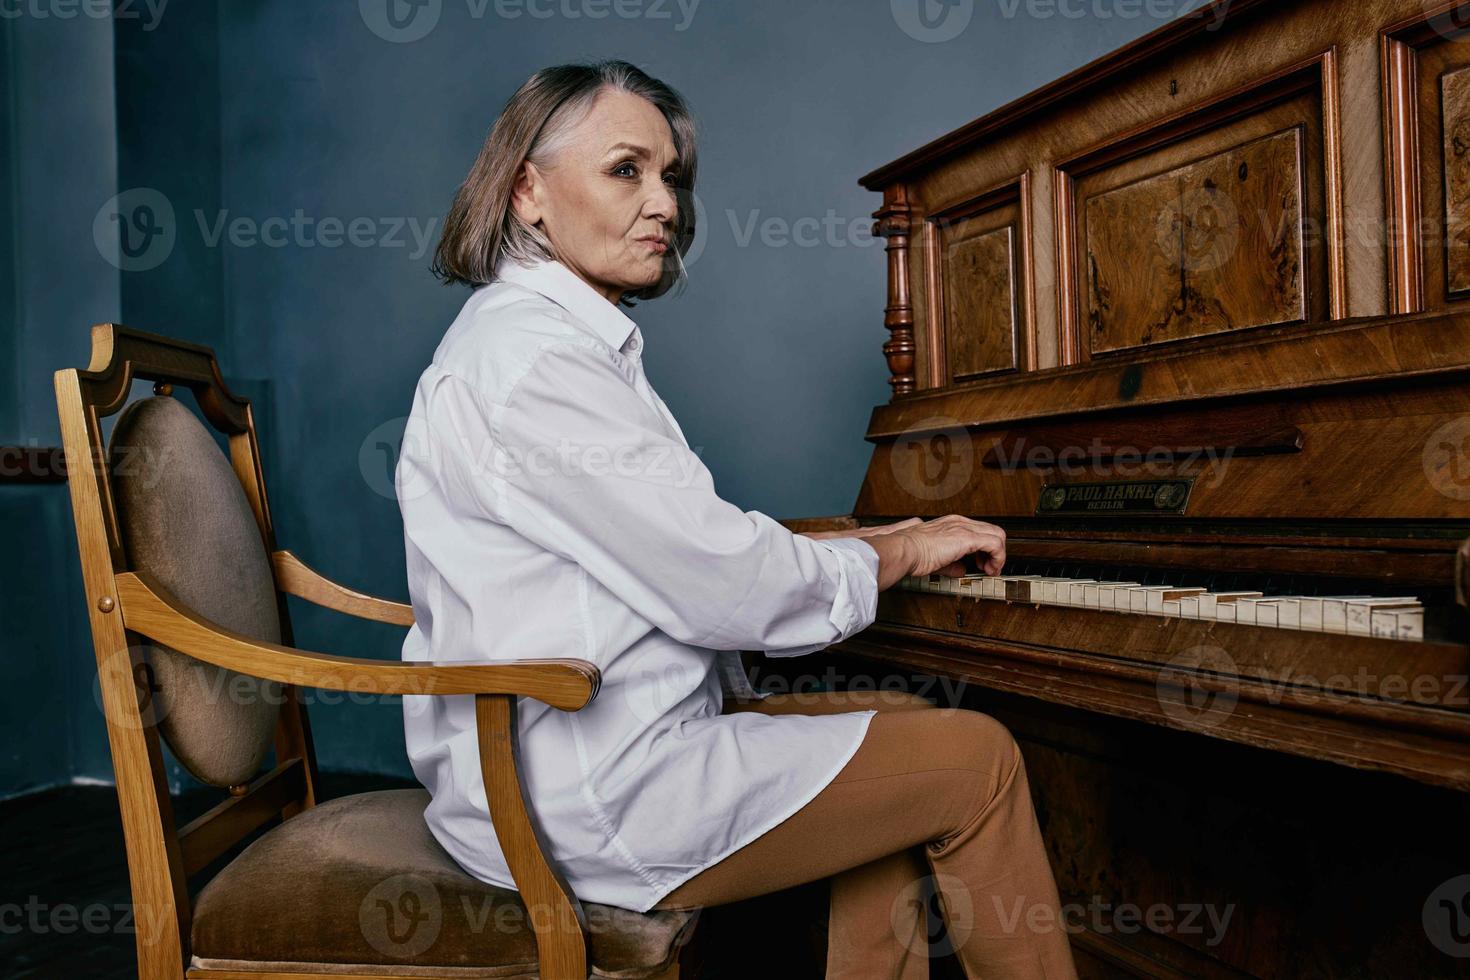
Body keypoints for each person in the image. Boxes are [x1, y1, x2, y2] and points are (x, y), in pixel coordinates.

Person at [396, 58, 1078, 980]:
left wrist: (872, 544)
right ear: (528, 191)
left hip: (582, 754)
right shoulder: (537, 367)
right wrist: (907, 545)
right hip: (592, 791)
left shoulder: (539, 343)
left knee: (898, 743)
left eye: (671, 175)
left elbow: (688, 542)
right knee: (979, 762)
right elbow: (727, 586)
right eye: (626, 169)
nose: (667, 205)